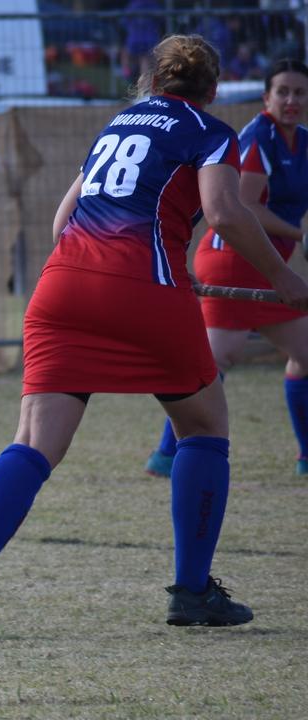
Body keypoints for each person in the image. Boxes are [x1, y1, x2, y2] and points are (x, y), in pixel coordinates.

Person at [0, 35, 308, 640]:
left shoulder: (116, 125)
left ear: (149, 82)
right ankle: (191, 591)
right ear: (211, 90)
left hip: (61, 287)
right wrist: (286, 278)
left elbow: (61, 222)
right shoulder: (210, 130)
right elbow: (227, 213)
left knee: (33, 441)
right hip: (143, 289)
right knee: (204, 428)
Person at [146, 59, 308, 478]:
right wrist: (298, 233)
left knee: (304, 353)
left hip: (265, 264)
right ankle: (166, 455)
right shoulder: (257, 138)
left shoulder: (303, 142)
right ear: (266, 97)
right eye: (283, 91)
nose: (292, 100)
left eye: (300, 93)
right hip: (231, 261)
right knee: (216, 362)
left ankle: (306, 456)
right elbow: (247, 207)